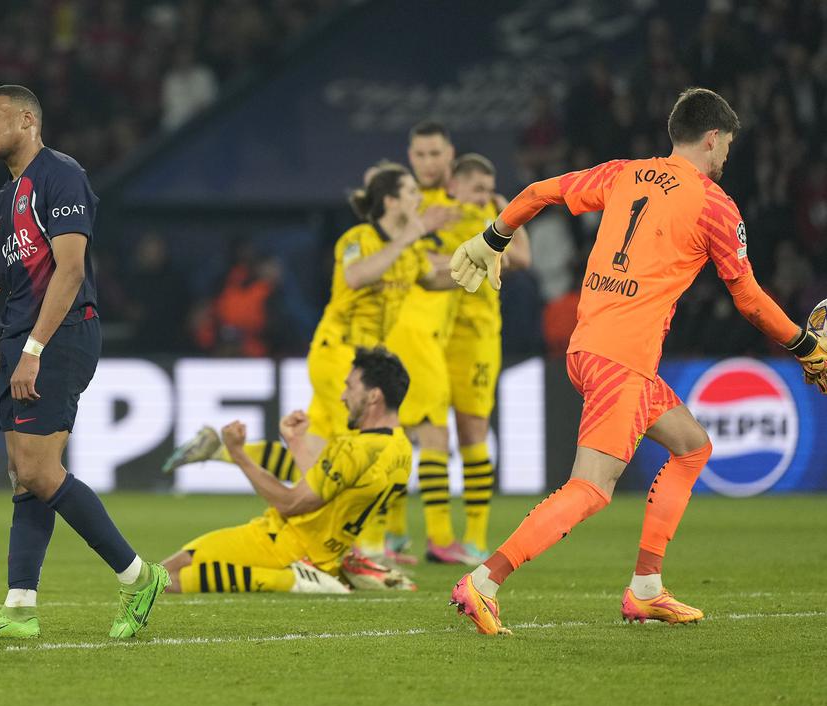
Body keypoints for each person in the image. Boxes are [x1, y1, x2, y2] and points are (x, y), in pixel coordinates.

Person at [447, 87, 827, 635]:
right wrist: (806, 346)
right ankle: (483, 582)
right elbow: (747, 298)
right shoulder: (715, 205)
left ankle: (646, 588)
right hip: (620, 359)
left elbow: (537, 191)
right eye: (727, 146)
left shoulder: (625, 173)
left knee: (693, 447)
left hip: (590, 345)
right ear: (713, 138)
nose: (726, 157)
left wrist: (493, 237)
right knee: (591, 488)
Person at [0, 85, 167, 641]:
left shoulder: (61, 175)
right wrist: (9, 352)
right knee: (23, 476)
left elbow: (69, 271)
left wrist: (33, 351)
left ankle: (139, 576)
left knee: (40, 471)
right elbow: (24, 285)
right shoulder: (6, 197)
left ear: (27, 120)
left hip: (59, 336)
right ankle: (20, 607)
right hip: (18, 340)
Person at [163, 165, 450, 488]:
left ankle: (218, 449)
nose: (419, 199)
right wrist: (410, 236)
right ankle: (366, 527)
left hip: (362, 360)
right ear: (391, 201)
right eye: (411, 192)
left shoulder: (411, 251)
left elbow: (435, 278)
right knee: (360, 450)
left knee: (311, 459)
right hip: (339, 355)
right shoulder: (357, 239)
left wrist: (483, 259)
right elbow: (355, 276)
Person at [385, 122, 531, 565]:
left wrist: (493, 223)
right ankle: (395, 533)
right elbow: (392, 255)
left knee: (470, 429)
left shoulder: (482, 201)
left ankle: (474, 539)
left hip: (474, 331)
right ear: (410, 156)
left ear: (449, 157)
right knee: (407, 428)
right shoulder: (409, 200)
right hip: (422, 329)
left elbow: (523, 258)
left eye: (435, 154)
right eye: (420, 154)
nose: (428, 162)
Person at [161, 348, 414, 594]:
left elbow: (290, 503)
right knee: (173, 568)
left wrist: (238, 453)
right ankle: (310, 575)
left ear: (374, 396)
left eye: (350, 387)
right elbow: (328, 489)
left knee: (165, 576)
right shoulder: (400, 448)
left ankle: (296, 580)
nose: (342, 396)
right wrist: (295, 442)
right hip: (324, 553)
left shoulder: (356, 448)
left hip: (283, 547)